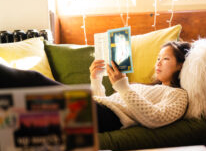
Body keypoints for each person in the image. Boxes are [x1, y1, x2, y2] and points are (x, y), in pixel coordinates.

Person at [0, 41, 191, 133]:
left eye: (165, 59)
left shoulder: (179, 95)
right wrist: (96, 80)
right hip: (100, 110)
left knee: (35, 81)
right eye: (157, 59)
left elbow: (154, 118)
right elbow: (107, 101)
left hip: (108, 117)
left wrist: (122, 86)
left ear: (181, 65)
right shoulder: (148, 87)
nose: (158, 63)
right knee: (22, 103)